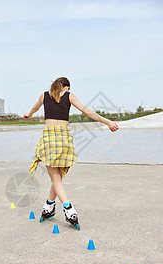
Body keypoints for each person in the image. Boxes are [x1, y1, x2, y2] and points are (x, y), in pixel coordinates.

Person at [24, 77, 119, 230]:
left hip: (49, 137)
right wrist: (107, 121)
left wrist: (28, 114)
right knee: (58, 177)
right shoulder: (69, 96)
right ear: (66, 87)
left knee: (56, 177)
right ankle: (49, 205)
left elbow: (35, 108)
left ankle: (68, 209)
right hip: (64, 138)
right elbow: (87, 111)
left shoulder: (44, 95)